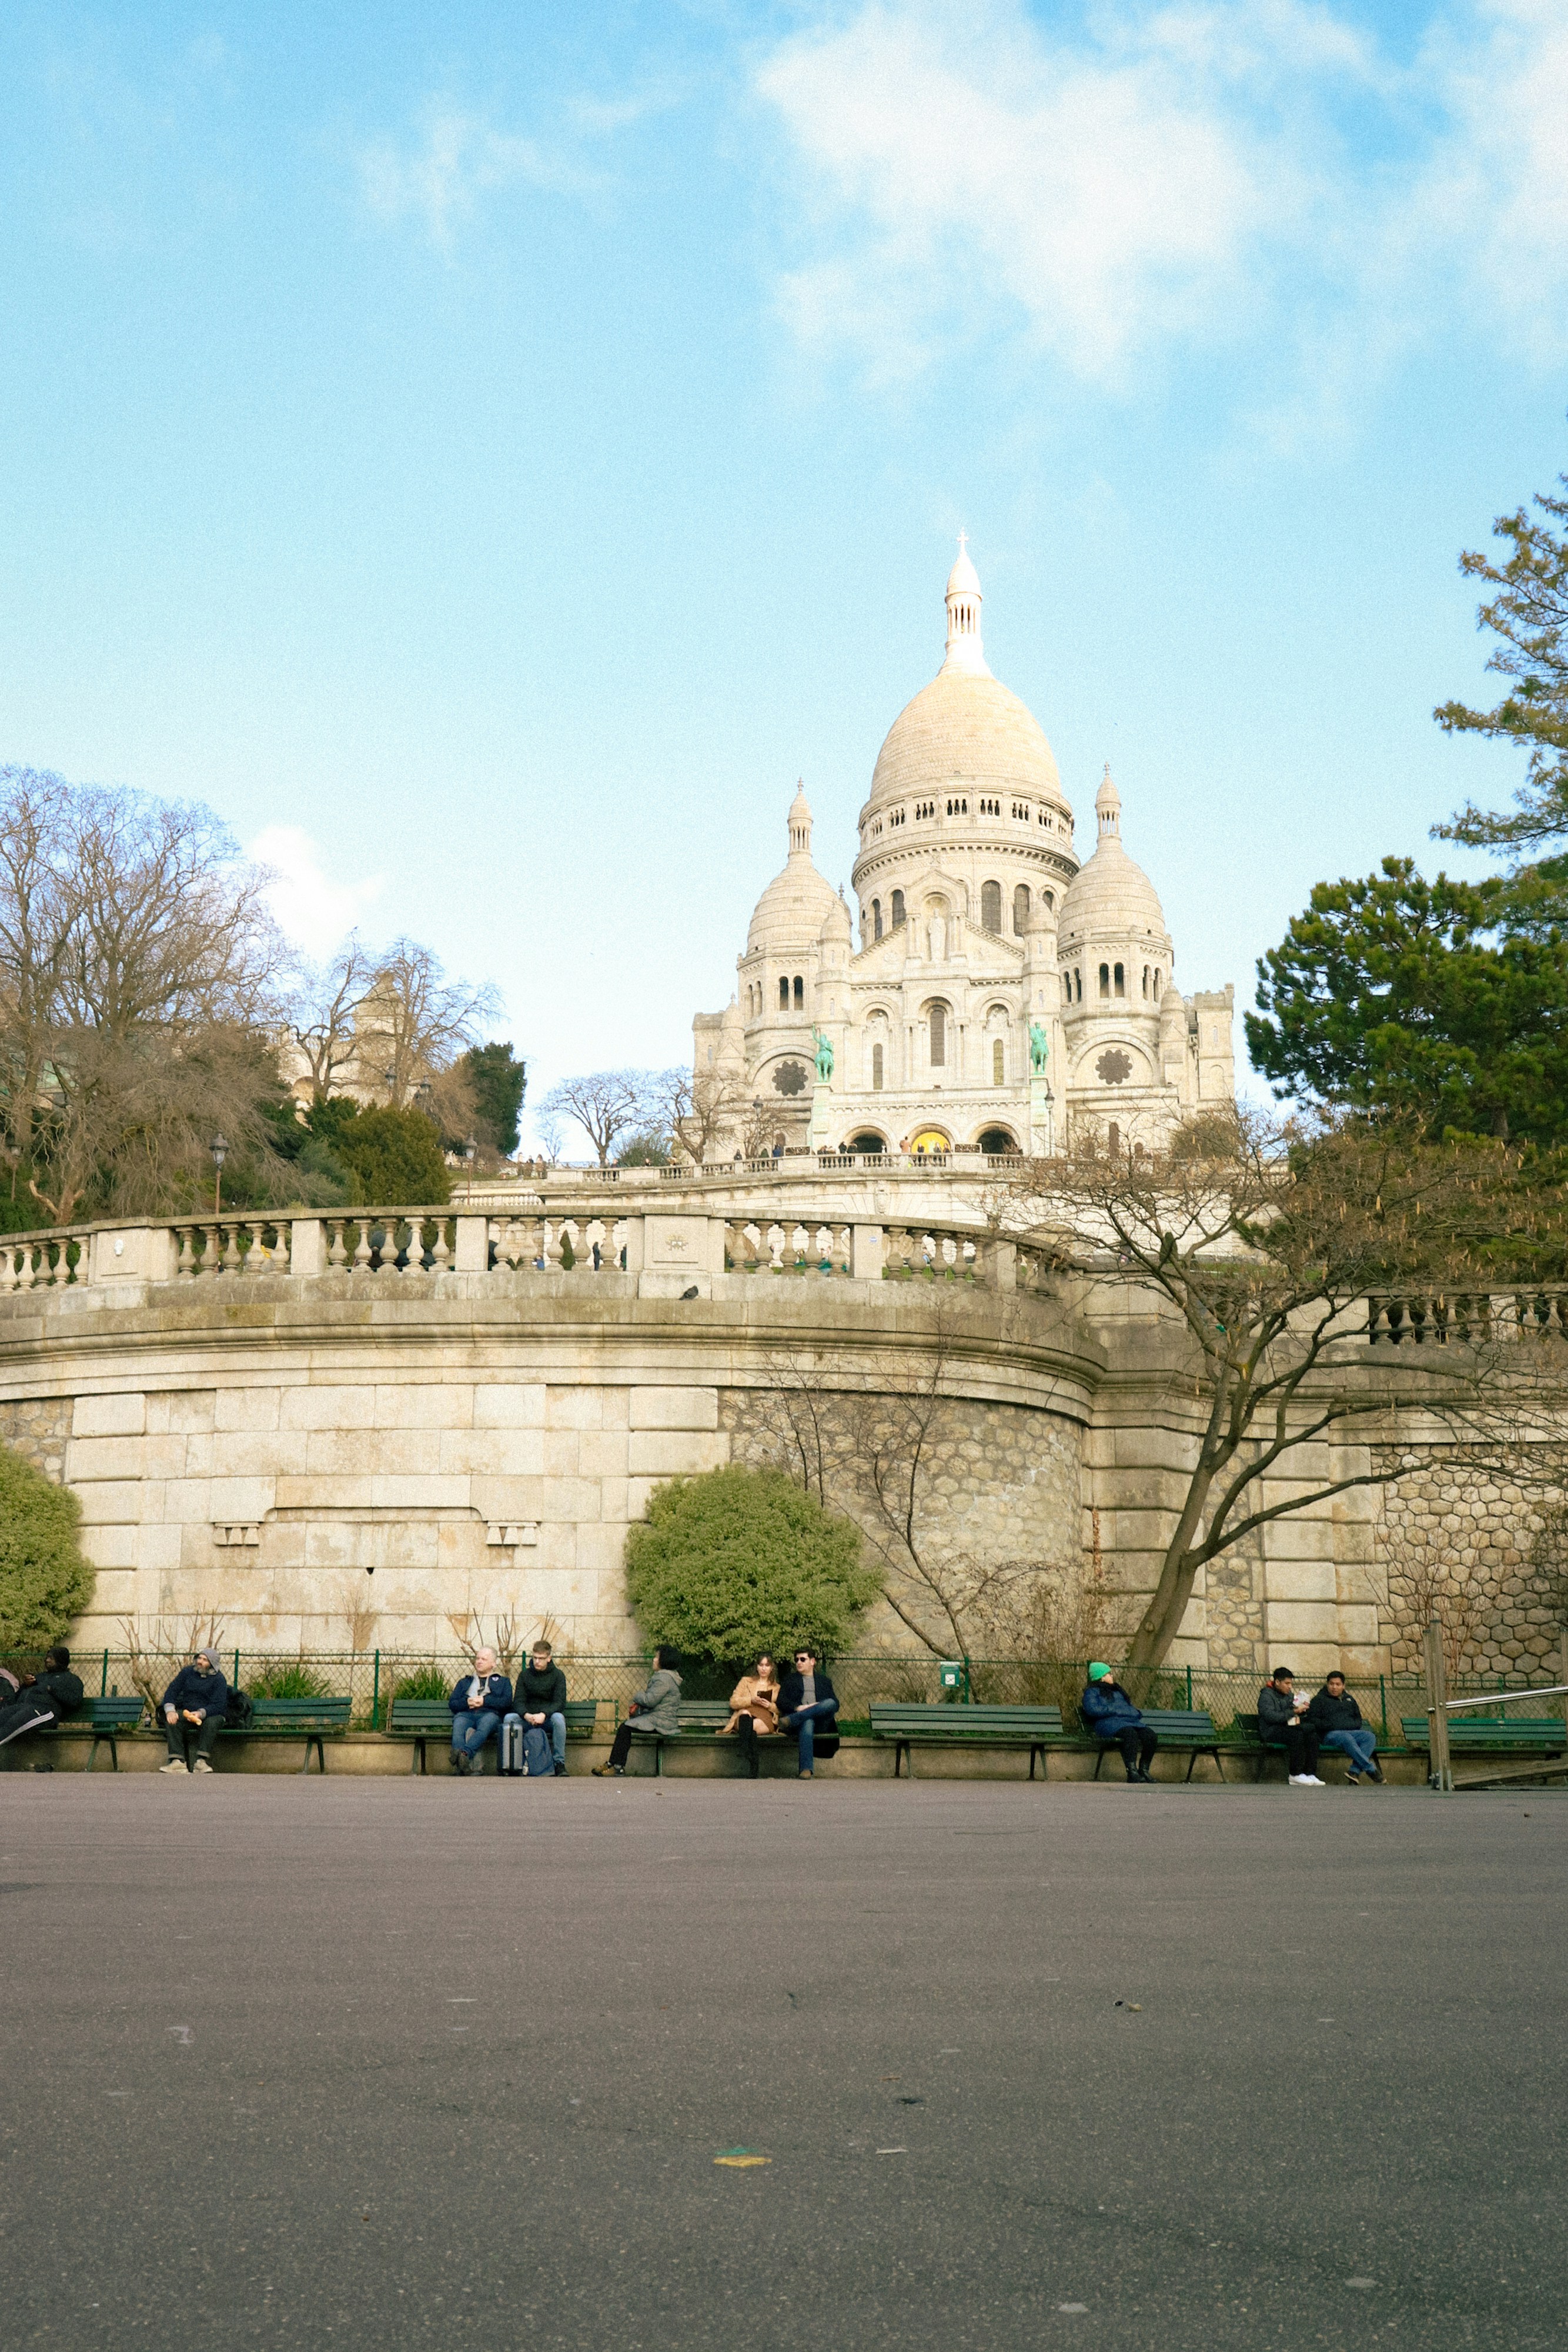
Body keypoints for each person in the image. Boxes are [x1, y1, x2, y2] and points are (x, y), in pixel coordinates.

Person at [593, 1647, 683, 1775]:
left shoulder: (663, 1679)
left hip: (661, 1721)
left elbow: (650, 1701)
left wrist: (637, 1695)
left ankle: (617, 1766)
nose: (654, 1660)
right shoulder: (668, 1677)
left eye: (657, 1657)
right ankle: (613, 1764)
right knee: (626, 1728)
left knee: (625, 1728)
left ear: (664, 1660)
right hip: (661, 1719)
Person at [0, 1645, 85, 1764]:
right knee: (3, 1715)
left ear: (61, 1659)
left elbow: (75, 1701)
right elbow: (18, 1697)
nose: (47, 1660)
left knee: (14, 1723)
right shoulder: (40, 1677)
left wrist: (52, 1689)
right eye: (47, 1657)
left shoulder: (71, 1680)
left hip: (45, 1711)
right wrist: (26, 1685)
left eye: (51, 1658)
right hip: (24, 1707)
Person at [1079, 1663, 1158, 1782]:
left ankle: (1144, 1770)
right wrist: (1114, 1711)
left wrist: (1132, 1713)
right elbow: (1092, 1710)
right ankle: (1132, 1772)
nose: (1112, 1676)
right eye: (1109, 1674)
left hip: (1126, 1721)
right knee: (1130, 1734)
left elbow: (1128, 1707)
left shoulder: (1118, 1691)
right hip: (1107, 1723)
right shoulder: (1091, 1692)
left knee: (1150, 1736)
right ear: (1102, 1677)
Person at [158, 1646, 229, 1775]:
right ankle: (177, 1762)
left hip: (209, 1714)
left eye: (205, 1660)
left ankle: (201, 1762)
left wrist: (201, 1713)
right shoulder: (187, 1673)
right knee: (173, 1720)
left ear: (212, 1664)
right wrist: (170, 1710)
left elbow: (219, 1705)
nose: (200, 1662)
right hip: (188, 1712)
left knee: (212, 1722)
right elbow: (172, 1691)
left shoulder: (219, 1679)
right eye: (200, 1658)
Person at [506, 1639, 569, 1777]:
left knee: (559, 1719)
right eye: (535, 1658)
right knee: (509, 1719)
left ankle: (559, 1763)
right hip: (528, 1718)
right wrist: (526, 1715)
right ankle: (512, 1763)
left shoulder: (558, 1675)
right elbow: (518, 1701)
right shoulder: (525, 1675)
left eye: (541, 1658)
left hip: (547, 1719)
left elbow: (560, 1703)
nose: (537, 1662)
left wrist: (544, 1714)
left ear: (549, 1658)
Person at [1305, 1671, 1382, 1783]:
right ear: (1327, 1685)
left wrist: (1340, 1724)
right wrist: (1331, 1725)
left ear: (1343, 1686)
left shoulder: (1350, 1700)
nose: (1334, 1687)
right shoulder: (1319, 1700)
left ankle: (1354, 1772)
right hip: (1329, 1734)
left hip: (1350, 1732)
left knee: (1369, 1737)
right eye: (1331, 1684)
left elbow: (1358, 1721)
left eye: (1338, 1684)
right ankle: (1370, 1769)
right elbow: (1313, 1720)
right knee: (1346, 1737)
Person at [774, 1648, 840, 1778]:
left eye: (803, 1659)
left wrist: (816, 1707)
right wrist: (797, 1708)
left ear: (812, 1661)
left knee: (830, 1703)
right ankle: (806, 1770)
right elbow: (781, 1701)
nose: (799, 1662)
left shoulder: (824, 1681)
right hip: (801, 1725)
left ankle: (793, 1719)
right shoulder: (790, 1680)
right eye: (797, 1660)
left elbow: (835, 1705)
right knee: (807, 1721)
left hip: (821, 1723)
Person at [448, 1648, 513, 1776]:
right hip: (467, 1714)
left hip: (489, 1715)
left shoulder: (503, 1682)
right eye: (478, 1658)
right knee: (459, 1723)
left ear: (494, 1663)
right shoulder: (465, 1682)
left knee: (485, 1725)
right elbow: (453, 1703)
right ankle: (459, 1755)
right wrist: (468, 1702)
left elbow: (506, 1703)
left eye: (484, 1659)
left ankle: (464, 1754)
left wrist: (485, 1702)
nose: (479, 1662)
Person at [1256, 1668, 1324, 1786]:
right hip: (1271, 1731)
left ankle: (1309, 1773)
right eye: (1287, 1683)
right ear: (1277, 1682)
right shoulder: (1266, 1696)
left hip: (1287, 1727)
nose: (1290, 1687)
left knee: (1312, 1735)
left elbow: (1293, 1711)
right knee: (1296, 1735)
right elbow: (1271, 1717)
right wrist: (1294, 1711)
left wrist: (1302, 1709)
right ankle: (1295, 1774)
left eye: (1291, 1684)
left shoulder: (1289, 1696)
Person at [723, 1655, 780, 1778]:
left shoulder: (776, 1688)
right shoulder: (746, 1681)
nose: (764, 1668)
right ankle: (750, 1758)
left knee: (750, 1729)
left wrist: (769, 1705)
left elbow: (781, 1709)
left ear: (772, 1668)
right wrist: (751, 1700)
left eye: (767, 1665)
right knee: (745, 1716)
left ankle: (745, 1750)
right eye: (761, 1665)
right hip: (746, 1713)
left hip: (765, 1717)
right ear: (757, 1667)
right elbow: (733, 1702)